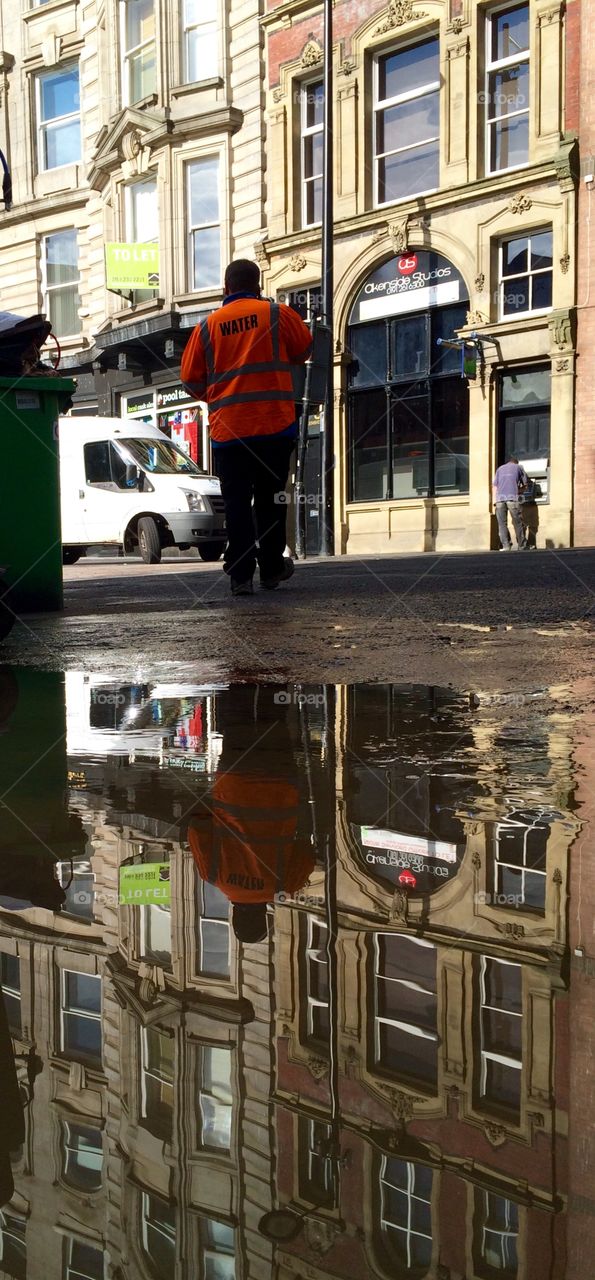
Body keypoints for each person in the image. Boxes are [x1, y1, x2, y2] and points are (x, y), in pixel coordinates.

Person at [181, 259, 312, 596]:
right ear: (258, 285)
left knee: (237, 502)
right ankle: (271, 569)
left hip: (229, 433)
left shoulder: (207, 327)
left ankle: (240, 575)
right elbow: (304, 350)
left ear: (226, 288)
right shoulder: (277, 315)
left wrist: (216, 397)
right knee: (272, 499)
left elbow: (189, 379)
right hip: (274, 425)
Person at [186, 686, 315, 943]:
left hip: (279, 781)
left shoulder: (283, 887)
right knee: (237, 722)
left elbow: (308, 853)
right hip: (235, 779)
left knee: (274, 720)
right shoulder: (212, 875)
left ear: (263, 915)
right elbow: (196, 826)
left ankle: (274, 677)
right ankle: (238, 675)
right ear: (234, 915)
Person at [492, 454, 530, 550]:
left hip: (499, 499)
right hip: (512, 498)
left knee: (502, 523)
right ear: (516, 462)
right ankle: (522, 546)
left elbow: (495, 486)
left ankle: (506, 546)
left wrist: (494, 500)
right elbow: (525, 485)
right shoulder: (519, 467)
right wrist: (518, 490)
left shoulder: (499, 469)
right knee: (517, 522)